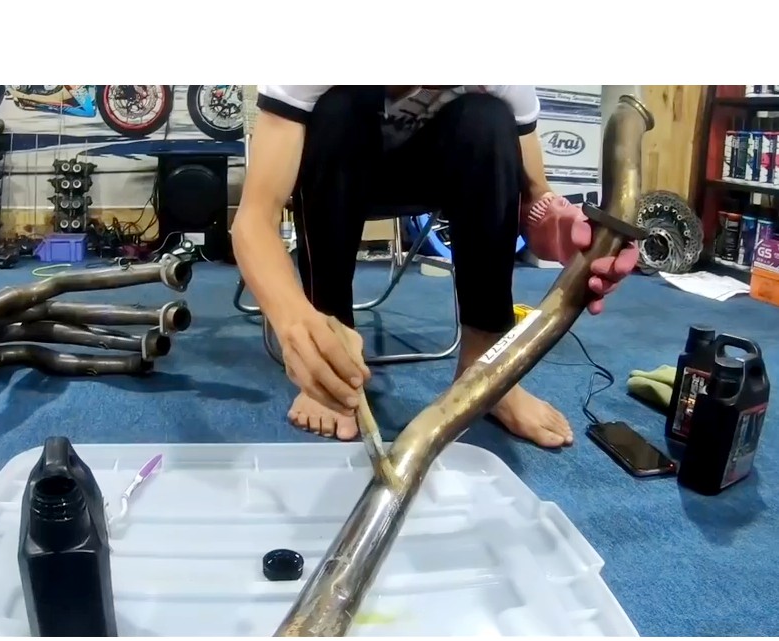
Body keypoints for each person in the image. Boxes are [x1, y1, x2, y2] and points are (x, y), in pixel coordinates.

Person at [231, 86, 637, 449]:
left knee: (488, 118)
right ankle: (329, 349)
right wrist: (296, 320)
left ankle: (484, 365)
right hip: (339, 167)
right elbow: (254, 219)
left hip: (436, 169)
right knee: (337, 109)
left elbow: (535, 196)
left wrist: (565, 232)